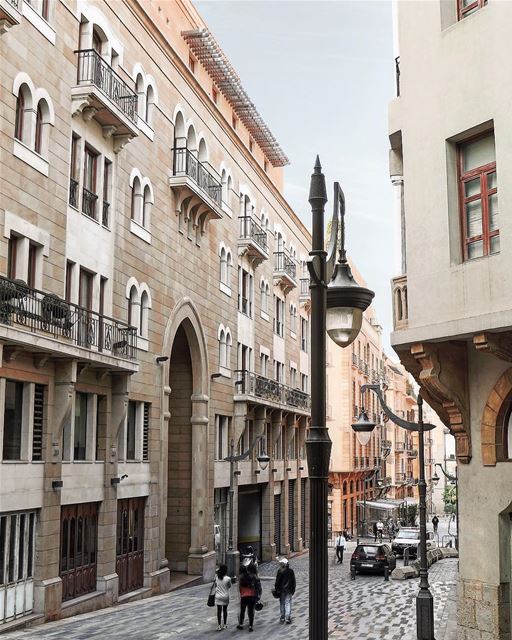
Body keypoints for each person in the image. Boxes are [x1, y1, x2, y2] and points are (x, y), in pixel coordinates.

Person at [237, 563, 261, 632]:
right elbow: (258, 588)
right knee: (251, 611)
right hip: (252, 596)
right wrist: (258, 596)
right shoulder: (255, 577)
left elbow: (240, 587)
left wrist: (241, 593)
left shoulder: (243, 576)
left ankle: (241, 624)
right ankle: (251, 626)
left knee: (242, 610)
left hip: (244, 596)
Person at [274, 557, 296, 624]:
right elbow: (293, 581)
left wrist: (276, 589)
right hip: (289, 589)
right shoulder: (291, 571)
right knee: (288, 603)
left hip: (281, 590)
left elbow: (277, 581)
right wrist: (293, 589)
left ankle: (282, 617)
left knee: (282, 603)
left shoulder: (280, 571)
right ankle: (288, 618)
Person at [214, 564, 232, 631]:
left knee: (219, 611)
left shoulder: (216, 578)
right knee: (225, 610)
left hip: (218, 596)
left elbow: (216, 586)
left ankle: (219, 625)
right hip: (225, 596)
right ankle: (224, 624)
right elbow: (229, 586)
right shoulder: (228, 578)